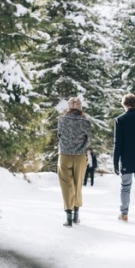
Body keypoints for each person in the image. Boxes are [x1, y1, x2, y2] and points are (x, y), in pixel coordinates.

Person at [113, 93, 135, 226]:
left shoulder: (120, 120)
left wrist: (116, 161)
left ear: (124, 104)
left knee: (125, 187)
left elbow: (118, 143)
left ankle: (124, 214)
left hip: (126, 158)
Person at [57, 97, 91, 227]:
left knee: (66, 185)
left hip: (64, 155)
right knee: (78, 185)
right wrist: (81, 148)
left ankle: (69, 217)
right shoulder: (85, 121)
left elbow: (59, 135)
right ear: (80, 107)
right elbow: (89, 139)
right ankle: (76, 215)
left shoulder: (62, 120)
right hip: (80, 156)